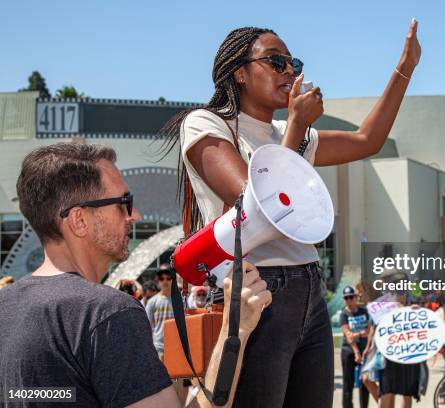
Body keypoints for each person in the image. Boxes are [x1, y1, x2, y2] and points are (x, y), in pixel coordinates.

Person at [160, 18, 421, 408]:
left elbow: (369, 140)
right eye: (275, 61)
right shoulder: (207, 124)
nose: (289, 71)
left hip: (308, 288)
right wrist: (297, 124)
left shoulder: (290, 133)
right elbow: (256, 200)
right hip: (256, 293)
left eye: (293, 63)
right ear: (240, 73)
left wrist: (405, 68)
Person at [0, 143, 271, 408]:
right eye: (123, 203)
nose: (135, 215)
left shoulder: (6, 307)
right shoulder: (106, 313)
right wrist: (235, 328)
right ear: (79, 220)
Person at [339, 286, 371, 408]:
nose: (349, 300)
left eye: (351, 297)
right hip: (349, 352)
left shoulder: (364, 311)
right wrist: (357, 352)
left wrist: (357, 333)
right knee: (348, 383)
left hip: (364, 351)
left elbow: (369, 330)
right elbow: (349, 336)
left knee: (365, 382)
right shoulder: (344, 314)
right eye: (346, 298)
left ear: (356, 298)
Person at [145, 264, 175, 359]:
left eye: (168, 278)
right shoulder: (152, 302)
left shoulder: (180, 301)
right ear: (158, 281)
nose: (165, 281)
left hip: (177, 347)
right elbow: (147, 326)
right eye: (161, 278)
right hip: (159, 347)